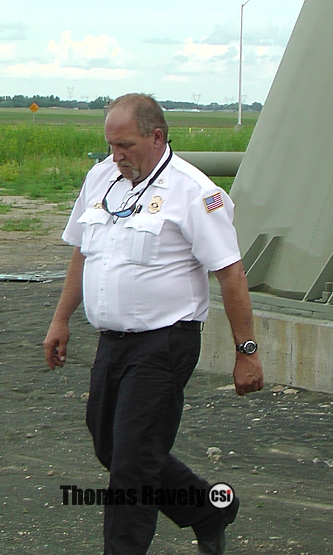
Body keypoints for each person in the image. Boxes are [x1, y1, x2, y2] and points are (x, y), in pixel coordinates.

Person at [43, 93, 264, 555]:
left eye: (125, 145)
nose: (115, 155)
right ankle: (207, 508)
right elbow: (82, 252)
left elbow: (231, 274)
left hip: (165, 343)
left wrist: (247, 353)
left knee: (133, 468)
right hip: (112, 341)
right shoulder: (102, 178)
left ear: (156, 136)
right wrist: (60, 319)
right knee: (110, 446)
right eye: (110, 145)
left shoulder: (195, 192)